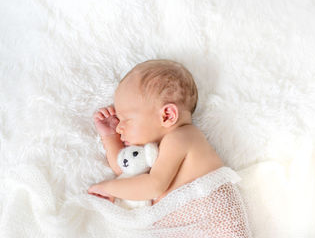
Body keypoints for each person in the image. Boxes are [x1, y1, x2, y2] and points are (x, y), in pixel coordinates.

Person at [88, 59, 224, 205]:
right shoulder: (157, 150)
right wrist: (109, 136)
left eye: (126, 119)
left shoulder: (181, 138)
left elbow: (154, 186)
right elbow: (127, 172)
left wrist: (108, 187)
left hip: (211, 220)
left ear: (167, 116)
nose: (119, 127)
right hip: (186, 224)